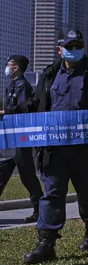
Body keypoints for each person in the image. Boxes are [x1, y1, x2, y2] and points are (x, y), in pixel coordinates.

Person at [23, 29, 88, 264]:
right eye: (68, 46)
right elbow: (36, 104)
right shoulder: (50, 74)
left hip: (85, 148)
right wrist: (11, 114)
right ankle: (46, 242)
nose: (73, 50)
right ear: (59, 49)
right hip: (54, 148)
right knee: (51, 194)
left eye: (77, 45)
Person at [1, 55, 43, 223]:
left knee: (27, 176)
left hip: (20, 138)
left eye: (8, 65)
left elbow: (23, 109)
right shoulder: (11, 84)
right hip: (9, 137)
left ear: (16, 67)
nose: (6, 67)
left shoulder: (22, 86)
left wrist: (5, 113)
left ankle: (40, 210)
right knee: (1, 174)